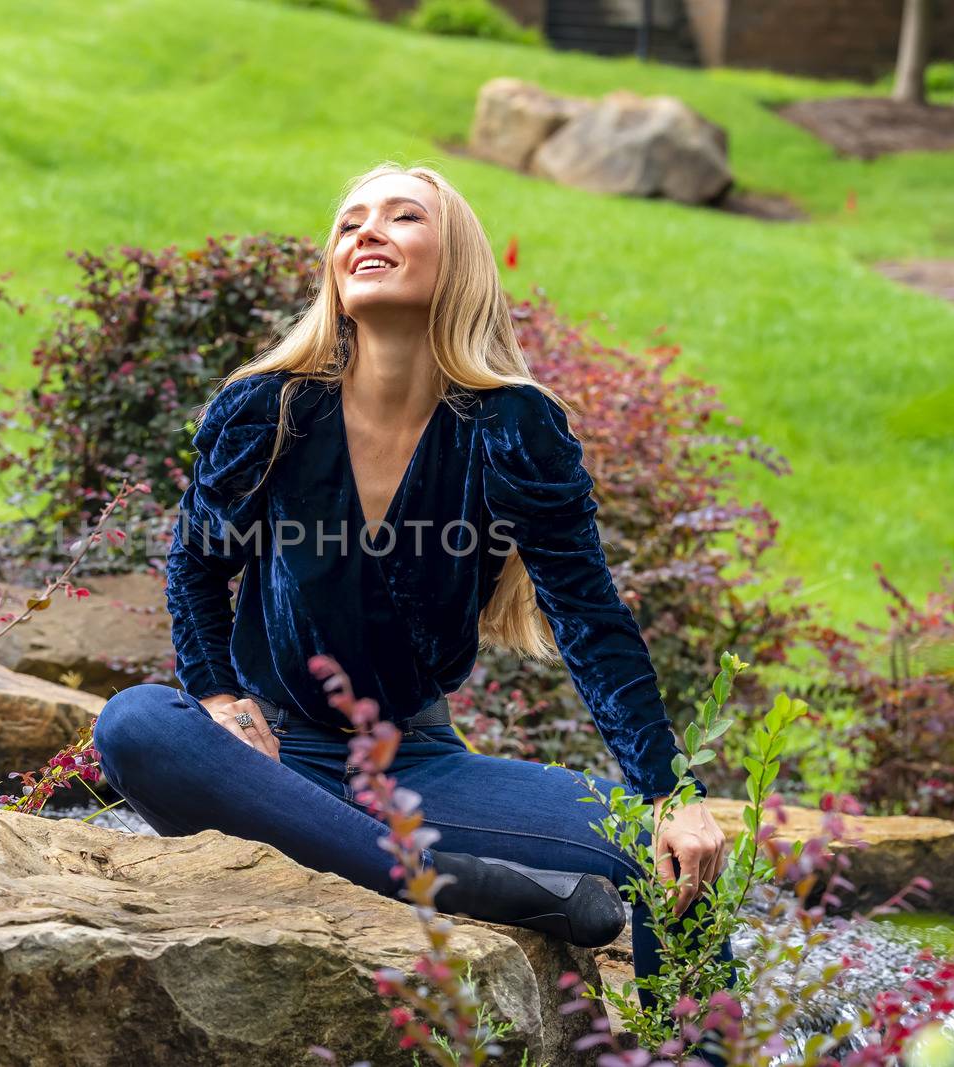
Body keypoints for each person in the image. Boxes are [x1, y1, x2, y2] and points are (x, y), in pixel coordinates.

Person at [92, 163, 730, 993]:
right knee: (137, 723)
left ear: (456, 259)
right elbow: (196, 569)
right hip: (266, 758)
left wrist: (669, 792)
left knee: (674, 851)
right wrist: (217, 701)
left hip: (419, 770)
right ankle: (449, 880)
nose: (368, 230)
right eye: (351, 220)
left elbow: (591, 619)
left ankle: (696, 1049)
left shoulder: (512, 427)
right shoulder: (269, 408)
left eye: (402, 216)